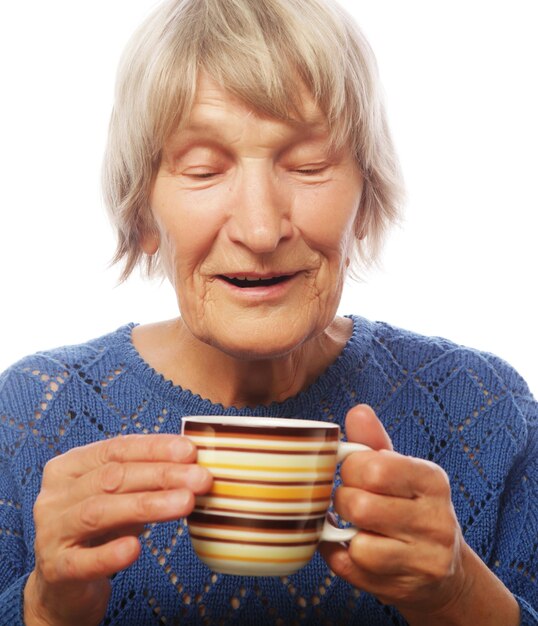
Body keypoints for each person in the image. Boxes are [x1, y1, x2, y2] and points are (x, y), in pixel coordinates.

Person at [0, 0, 536, 624]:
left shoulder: (486, 411)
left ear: (366, 195)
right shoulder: (32, 417)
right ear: (142, 212)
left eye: (309, 166)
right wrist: (45, 608)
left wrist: (458, 595)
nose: (259, 228)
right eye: (203, 170)